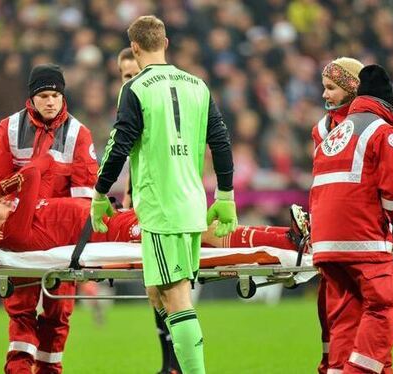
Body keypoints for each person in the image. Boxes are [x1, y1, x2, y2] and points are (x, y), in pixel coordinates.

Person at [92, 16, 237, 374]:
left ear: (136, 49)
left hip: (160, 207)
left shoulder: (136, 88)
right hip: (192, 204)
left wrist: (99, 191)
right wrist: (226, 194)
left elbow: (119, 144)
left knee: (174, 296)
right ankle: (186, 359)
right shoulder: (197, 85)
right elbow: (219, 141)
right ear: (166, 43)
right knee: (160, 292)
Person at [0, 63, 98, 374]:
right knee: (21, 310)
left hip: (59, 239)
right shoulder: (9, 129)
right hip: (21, 237)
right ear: (32, 98)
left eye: (55, 94)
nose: (51, 101)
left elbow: (84, 199)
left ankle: (48, 371)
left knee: (58, 313)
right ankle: (18, 369)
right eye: (44, 95)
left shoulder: (78, 133)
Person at [0, 157, 304, 254]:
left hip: (118, 219)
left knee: (202, 224)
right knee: (202, 232)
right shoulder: (13, 235)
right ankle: (287, 239)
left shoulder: (19, 217)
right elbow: (34, 171)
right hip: (112, 233)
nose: (1, 201)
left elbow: (46, 164)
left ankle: (289, 235)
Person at [310, 64, 393, 374]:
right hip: (361, 237)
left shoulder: (329, 133)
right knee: (386, 307)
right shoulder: (384, 132)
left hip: (326, 242)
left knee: (345, 316)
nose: (325, 94)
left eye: (331, 86)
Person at [117, 46, 180, 373]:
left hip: (165, 207)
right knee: (154, 290)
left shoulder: (158, 109)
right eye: (126, 77)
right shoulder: (131, 108)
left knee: (168, 288)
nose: (132, 82)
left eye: (136, 74)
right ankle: (169, 364)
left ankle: (177, 364)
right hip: (143, 204)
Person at [312, 57, 364, 374]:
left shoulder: (369, 126)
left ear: (350, 89)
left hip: (359, 233)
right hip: (328, 233)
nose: (324, 94)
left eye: (331, 88)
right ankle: (333, 363)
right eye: (323, 87)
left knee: (353, 307)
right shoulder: (320, 130)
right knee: (329, 305)